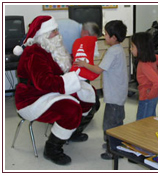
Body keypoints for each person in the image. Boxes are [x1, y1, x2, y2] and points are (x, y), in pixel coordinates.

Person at [13, 15, 99, 165]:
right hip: (31, 98)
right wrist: (71, 80)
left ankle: (71, 132)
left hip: (47, 91)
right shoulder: (35, 53)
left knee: (88, 94)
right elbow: (44, 82)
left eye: (57, 30)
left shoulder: (50, 48)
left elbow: (59, 71)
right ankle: (52, 149)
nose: (58, 33)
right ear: (43, 35)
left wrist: (76, 72)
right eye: (53, 31)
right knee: (71, 109)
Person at [74, 20, 128, 159]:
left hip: (114, 95)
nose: (104, 35)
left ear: (114, 37)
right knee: (117, 120)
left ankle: (114, 151)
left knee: (110, 123)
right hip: (119, 93)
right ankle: (114, 143)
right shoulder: (119, 49)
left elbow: (98, 69)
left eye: (107, 34)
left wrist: (84, 64)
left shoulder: (112, 51)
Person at [130, 32, 158, 120]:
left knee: (142, 122)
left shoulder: (144, 65)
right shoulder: (151, 57)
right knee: (151, 119)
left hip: (147, 97)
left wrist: (149, 96)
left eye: (133, 47)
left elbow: (157, 82)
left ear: (141, 48)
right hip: (153, 94)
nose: (131, 49)